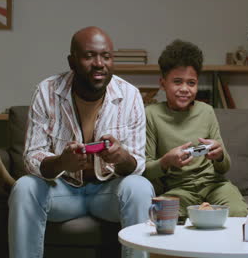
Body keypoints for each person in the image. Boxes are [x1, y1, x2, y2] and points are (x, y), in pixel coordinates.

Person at [8, 26, 154, 258]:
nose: (99, 63)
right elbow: (31, 158)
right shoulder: (47, 91)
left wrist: (121, 157)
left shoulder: (131, 95)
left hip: (107, 193)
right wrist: (61, 162)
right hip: (62, 193)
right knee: (24, 187)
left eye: (106, 56)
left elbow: (137, 164)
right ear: (72, 61)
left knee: (140, 187)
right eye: (89, 56)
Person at [143, 39, 248, 219]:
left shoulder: (206, 111)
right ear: (162, 83)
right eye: (177, 82)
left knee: (238, 213)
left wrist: (219, 155)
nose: (185, 89)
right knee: (162, 215)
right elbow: (144, 169)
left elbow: (224, 167)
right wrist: (166, 161)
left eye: (191, 83)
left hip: (213, 185)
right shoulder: (151, 114)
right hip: (178, 190)